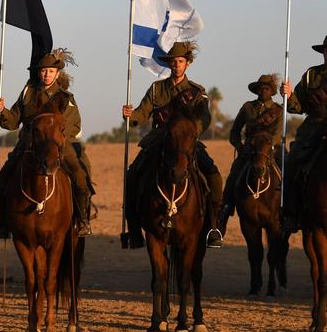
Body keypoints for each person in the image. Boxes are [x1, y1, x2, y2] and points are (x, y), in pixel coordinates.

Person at [121, 41, 223, 249]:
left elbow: (205, 117)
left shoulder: (196, 91)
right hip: (159, 138)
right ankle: (134, 229)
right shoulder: (157, 89)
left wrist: (190, 131)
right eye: (173, 62)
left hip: (187, 140)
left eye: (180, 61)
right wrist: (130, 116)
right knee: (133, 174)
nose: (176, 65)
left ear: (187, 64)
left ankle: (213, 226)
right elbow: (142, 113)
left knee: (212, 173)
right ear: (169, 65)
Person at [0, 48, 93, 239]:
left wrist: (57, 138)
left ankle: (82, 221)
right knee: (3, 176)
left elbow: (74, 125)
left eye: (51, 71)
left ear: (57, 74)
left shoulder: (65, 98)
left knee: (80, 176)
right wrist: (2, 110)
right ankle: (4, 221)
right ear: (39, 72)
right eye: (44, 71)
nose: (46, 75)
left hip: (58, 145)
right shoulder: (28, 92)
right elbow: (13, 121)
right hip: (28, 144)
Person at [218, 74, 283, 235]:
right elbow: (235, 131)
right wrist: (239, 146)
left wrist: (269, 146)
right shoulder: (247, 107)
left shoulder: (279, 110)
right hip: (249, 152)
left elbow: (278, 134)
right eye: (260, 88)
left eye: (266, 88)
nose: (263, 91)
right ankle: (224, 214)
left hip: (272, 151)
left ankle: (290, 211)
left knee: (289, 171)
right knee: (234, 176)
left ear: (271, 92)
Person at [279, 35, 327, 233]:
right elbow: (297, 107)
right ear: (323, 52)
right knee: (292, 162)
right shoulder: (310, 75)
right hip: (313, 129)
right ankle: (291, 213)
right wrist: (289, 96)